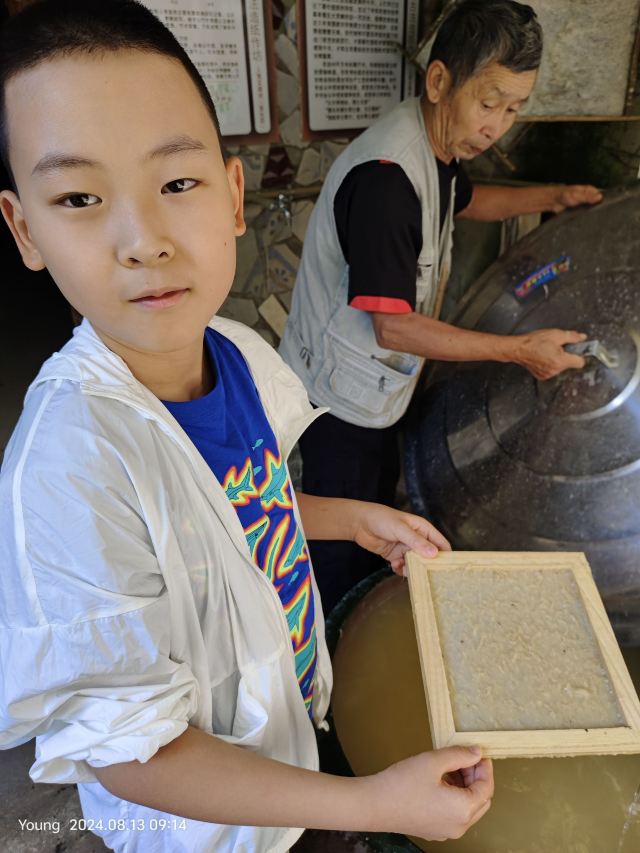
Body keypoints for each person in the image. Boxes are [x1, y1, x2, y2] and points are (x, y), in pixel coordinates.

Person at [0, 2, 494, 851]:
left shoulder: (232, 352)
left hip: (289, 739)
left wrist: (349, 518)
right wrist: (376, 803)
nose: (143, 240)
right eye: (79, 196)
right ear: (24, 230)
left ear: (233, 195)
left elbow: (231, 515)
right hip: (208, 831)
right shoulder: (68, 469)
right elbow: (133, 751)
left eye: (176, 183)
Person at [279, 0, 604, 613]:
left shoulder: (441, 147)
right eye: (489, 103)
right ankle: (332, 635)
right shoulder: (387, 181)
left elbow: (468, 202)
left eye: (513, 109)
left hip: (377, 386)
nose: (497, 126)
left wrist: (554, 197)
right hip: (341, 398)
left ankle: (360, 608)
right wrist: (517, 351)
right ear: (438, 82)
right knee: (346, 530)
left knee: (377, 510)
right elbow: (394, 327)